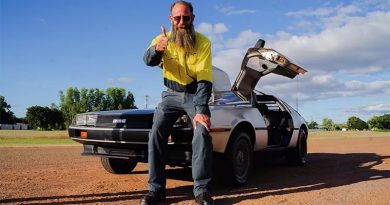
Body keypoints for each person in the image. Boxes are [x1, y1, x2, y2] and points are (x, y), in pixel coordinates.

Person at [141, 1, 214, 205]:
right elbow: (147, 60)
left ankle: (201, 191)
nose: (182, 22)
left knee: (202, 131)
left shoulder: (203, 42)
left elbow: (204, 80)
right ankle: (155, 190)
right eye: (177, 18)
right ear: (171, 19)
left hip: (194, 94)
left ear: (193, 18)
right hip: (170, 94)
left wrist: (201, 111)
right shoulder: (161, 39)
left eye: (186, 17)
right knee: (156, 132)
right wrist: (157, 49)